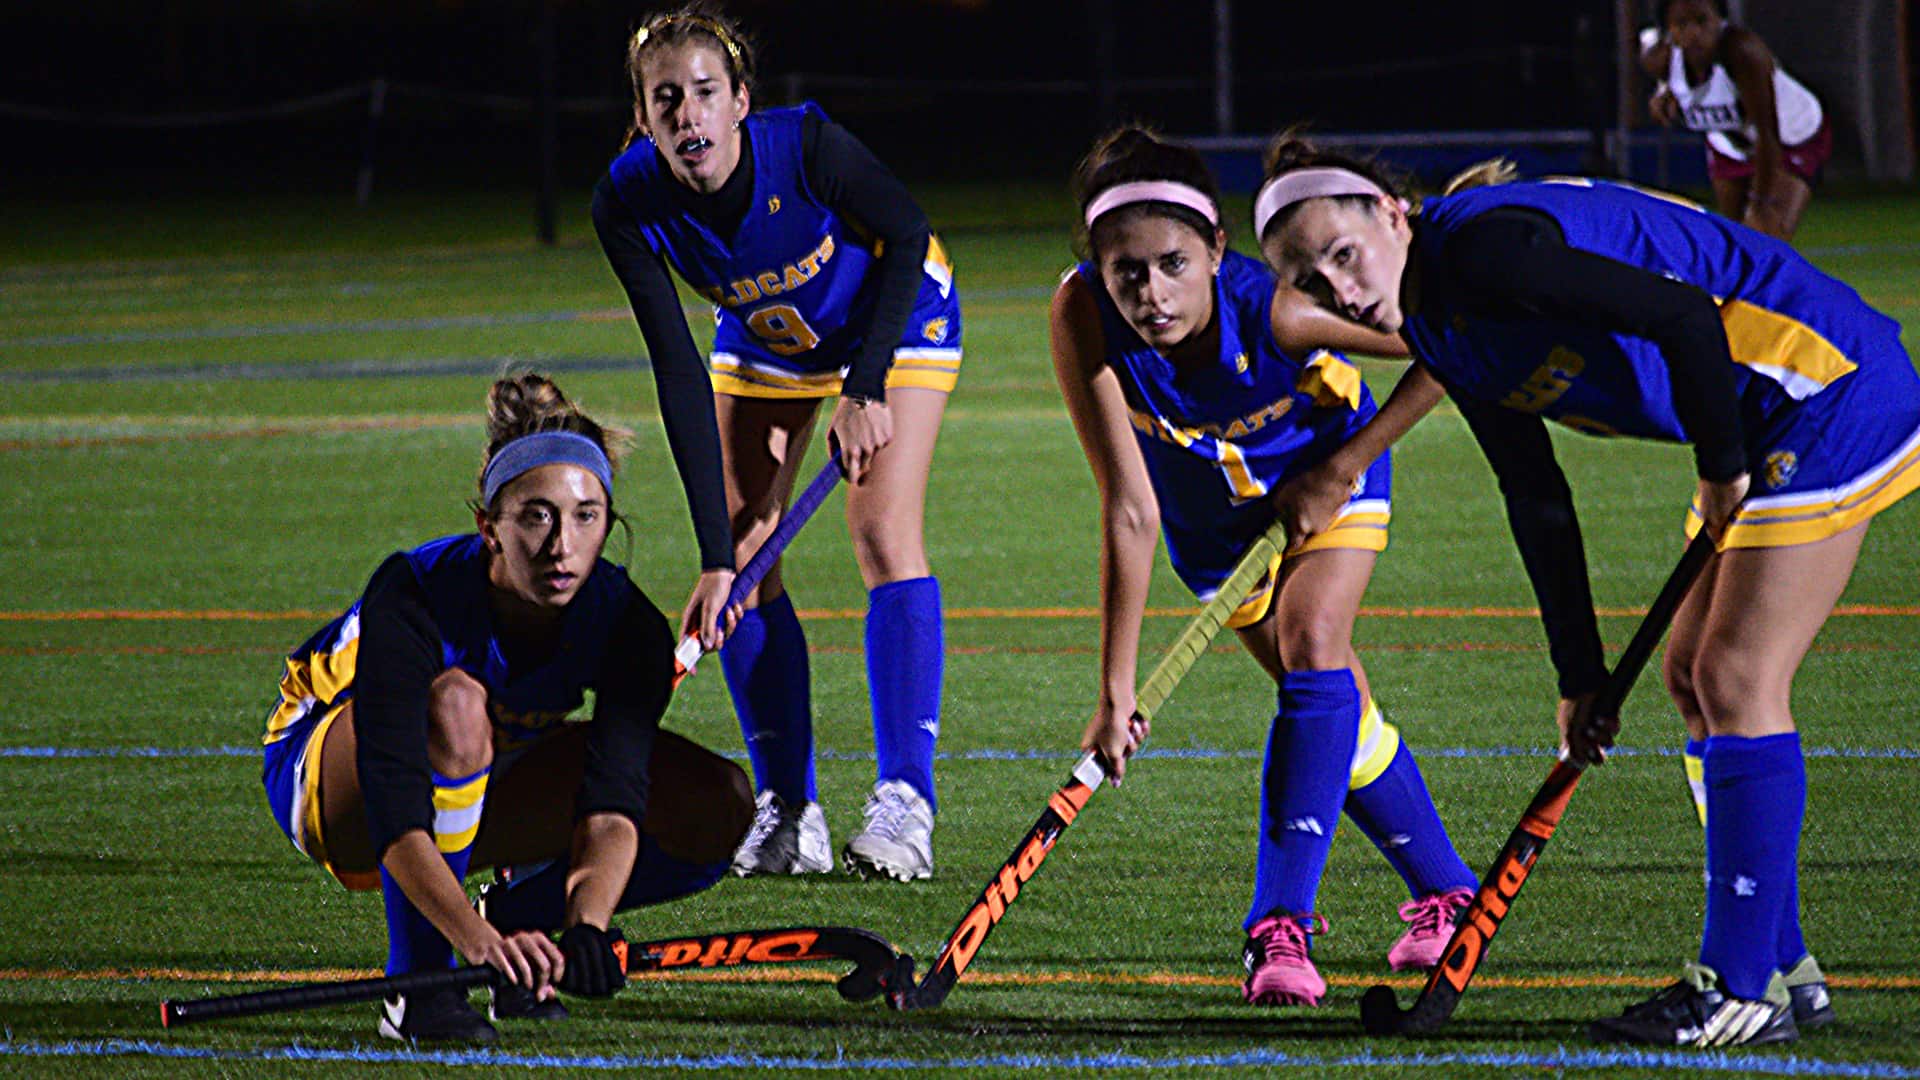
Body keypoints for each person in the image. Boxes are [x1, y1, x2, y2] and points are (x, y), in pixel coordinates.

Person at [1254, 136, 1920, 1045]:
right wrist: (1580, 676)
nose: (1339, 287)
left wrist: (1722, 469)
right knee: (1688, 676)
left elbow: (1687, 316)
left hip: (1821, 388)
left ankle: (1736, 988)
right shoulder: (1439, 324)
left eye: (1343, 251)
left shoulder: (1486, 255)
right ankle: (1779, 966)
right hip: (1757, 418)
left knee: (1734, 678)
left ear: (1392, 212)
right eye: (1310, 279)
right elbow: (1534, 494)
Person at [1050, 127, 1482, 1008]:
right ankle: (1449, 898)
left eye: (1174, 262)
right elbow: (1130, 506)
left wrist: (1343, 463)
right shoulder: (1081, 315)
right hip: (1214, 536)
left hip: (1327, 481)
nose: (1152, 292)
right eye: (1125, 270)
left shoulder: (1278, 311)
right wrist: (1114, 688)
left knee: (1313, 642)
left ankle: (1277, 926)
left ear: (1216, 248)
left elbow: (1451, 345)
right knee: (1337, 712)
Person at [261, 372, 753, 1043]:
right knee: (459, 709)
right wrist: (476, 943)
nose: (561, 546)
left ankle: (527, 921)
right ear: (487, 527)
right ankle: (417, 987)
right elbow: (395, 806)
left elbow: (613, 803)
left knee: (716, 802)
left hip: (480, 778)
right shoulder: (412, 593)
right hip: (329, 784)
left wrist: (586, 926)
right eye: (535, 517)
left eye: (585, 517)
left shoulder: (626, 622)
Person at [594, 6, 958, 882]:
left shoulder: (809, 147)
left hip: (893, 316)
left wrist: (866, 391)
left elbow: (906, 232)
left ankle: (906, 807)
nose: (688, 116)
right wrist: (718, 558)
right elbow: (678, 374)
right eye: (666, 99)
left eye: (705, 94)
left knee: (879, 533)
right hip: (766, 339)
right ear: (643, 118)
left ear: (740, 102)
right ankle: (790, 811)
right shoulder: (626, 199)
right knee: (747, 558)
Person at [1640, 0, 1828, 241]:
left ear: (1720, 22)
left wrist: (1759, 203)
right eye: (1681, 24)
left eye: (1702, 21)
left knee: (1763, 239)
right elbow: (1656, 68)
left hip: (1790, 136)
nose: (1694, 33)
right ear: (1669, 31)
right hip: (1729, 144)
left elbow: (1767, 133)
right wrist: (1663, 92)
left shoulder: (1743, 53)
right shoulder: (1660, 60)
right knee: (1730, 241)